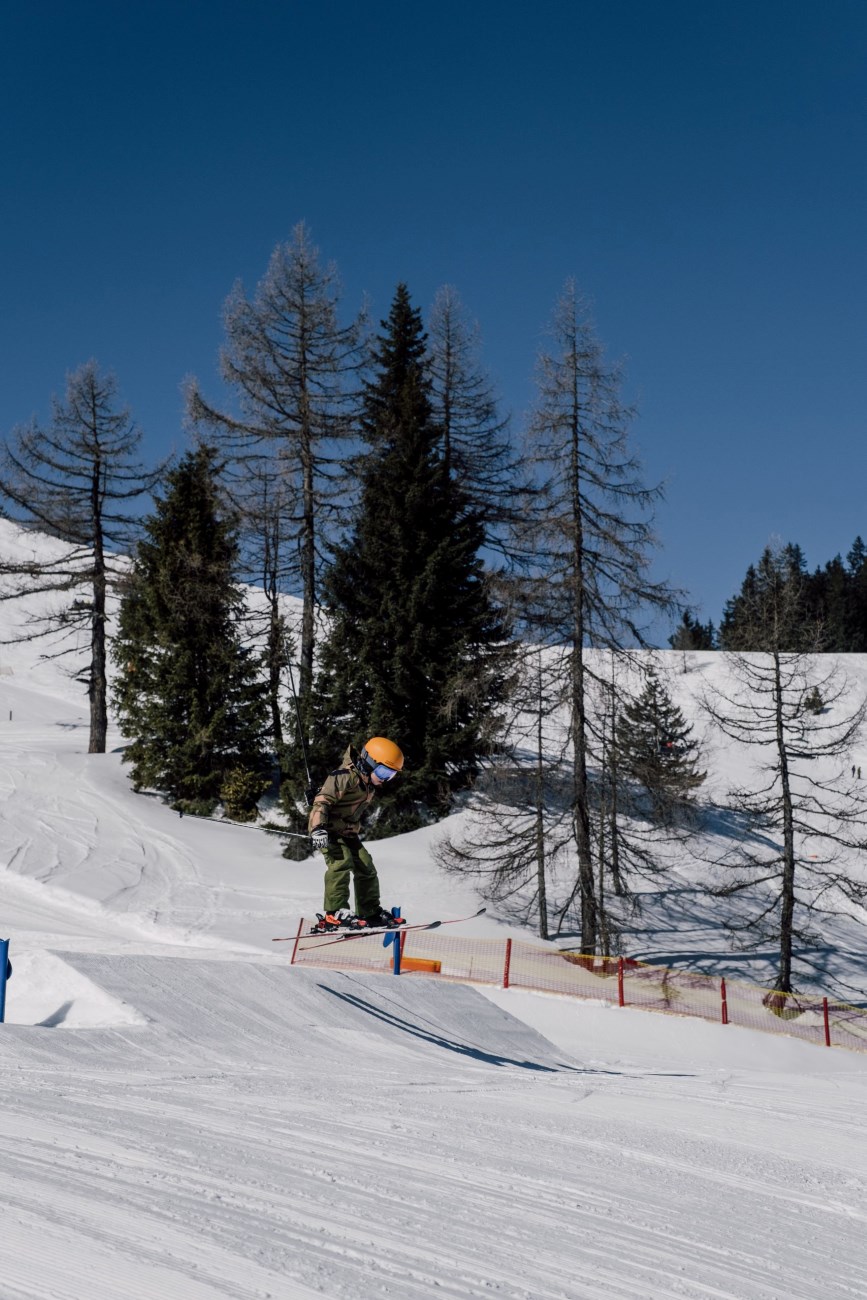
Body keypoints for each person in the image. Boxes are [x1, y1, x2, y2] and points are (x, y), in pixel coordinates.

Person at [308, 736, 406, 931]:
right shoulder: (344, 776)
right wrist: (317, 828)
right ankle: (334, 913)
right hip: (328, 830)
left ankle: (369, 912)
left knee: (366, 866)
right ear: (369, 763)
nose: (385, 779)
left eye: (391, 775)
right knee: (341, 862)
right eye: (384, 771)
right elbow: (323, 801)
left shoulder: (368, 782)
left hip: (347, 832)